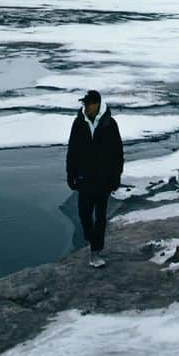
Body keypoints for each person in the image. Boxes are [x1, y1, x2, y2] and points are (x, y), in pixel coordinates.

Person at [66, 89, 124, 267]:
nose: (86, 107)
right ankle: (92, 242)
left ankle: (96, 252)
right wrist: (71, 175)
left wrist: (116, 178)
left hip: (104, 179)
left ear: (97, 104)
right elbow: (72, 151)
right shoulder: (79, 123)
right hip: (84, 179)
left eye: (88, 103)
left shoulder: (109, 124)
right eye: (84, 103)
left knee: (100, 217)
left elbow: (118, 153)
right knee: (84, 214)